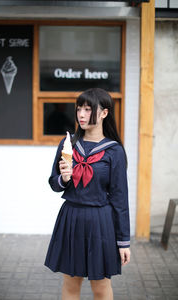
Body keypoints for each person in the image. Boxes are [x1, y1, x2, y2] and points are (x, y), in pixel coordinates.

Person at [44, 88, 131, 300]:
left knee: (100, 287)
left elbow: (120, 198)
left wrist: (123, 241)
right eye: (79, 109)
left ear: (104, 113)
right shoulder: (69, 145)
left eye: (88, 109)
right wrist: (63, 179)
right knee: (71, 285)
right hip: (71, 218)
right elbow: (53, 183)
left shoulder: (114, 151)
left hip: (101, 221)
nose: (81, 115)